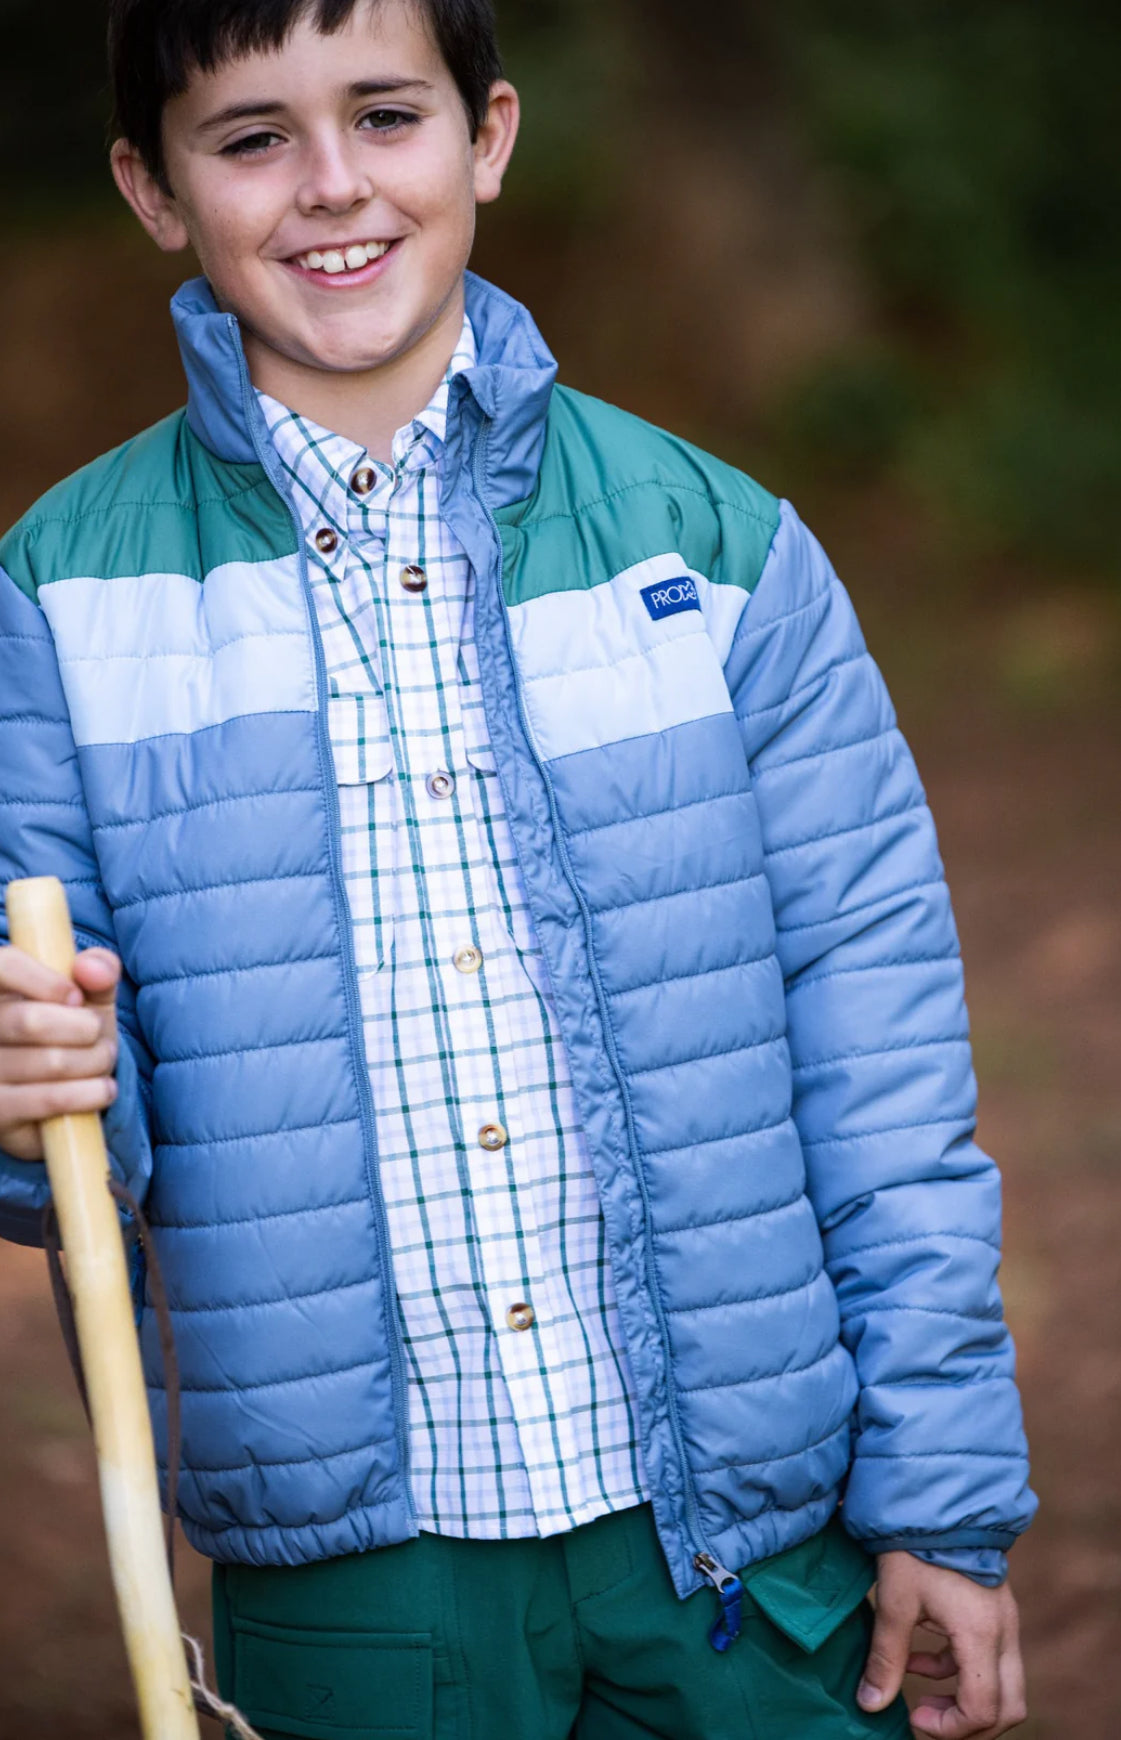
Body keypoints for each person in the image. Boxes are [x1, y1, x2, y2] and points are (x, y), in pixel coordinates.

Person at [0, 1, 1035, 1734]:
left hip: (745, 1554)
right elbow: (70, 1147)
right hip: (353, 1584)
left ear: (485, 136)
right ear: (152, 186)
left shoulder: (721, 556)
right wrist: (32, 1099)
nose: (331, 186)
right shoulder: (56, 607)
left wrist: (936, 1489)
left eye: (384, 116)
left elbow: (883, 1068)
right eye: (251, 137)